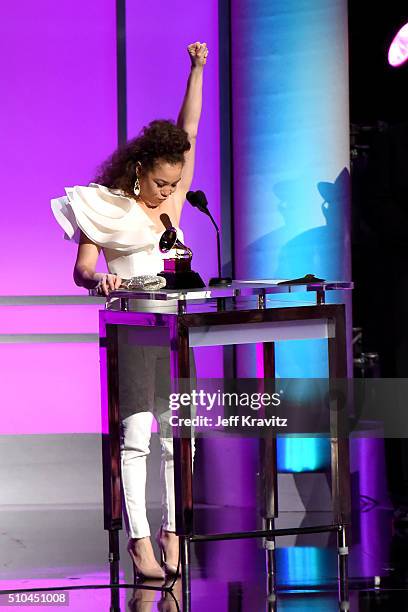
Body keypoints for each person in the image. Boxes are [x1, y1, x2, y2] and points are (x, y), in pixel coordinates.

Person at [51, 42, 208, 579]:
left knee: (176, 436)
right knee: (138, 434)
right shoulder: (106, 205)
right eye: (161, 181)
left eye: (174, 182)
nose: (168, 190)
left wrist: (196, 70)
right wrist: (102, 278)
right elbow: (82, 270)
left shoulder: (170, 199)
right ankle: (140, 541)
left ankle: (173, 532)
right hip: (134, 328)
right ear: (139, 169)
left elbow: (189, 129)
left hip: (175, 327)